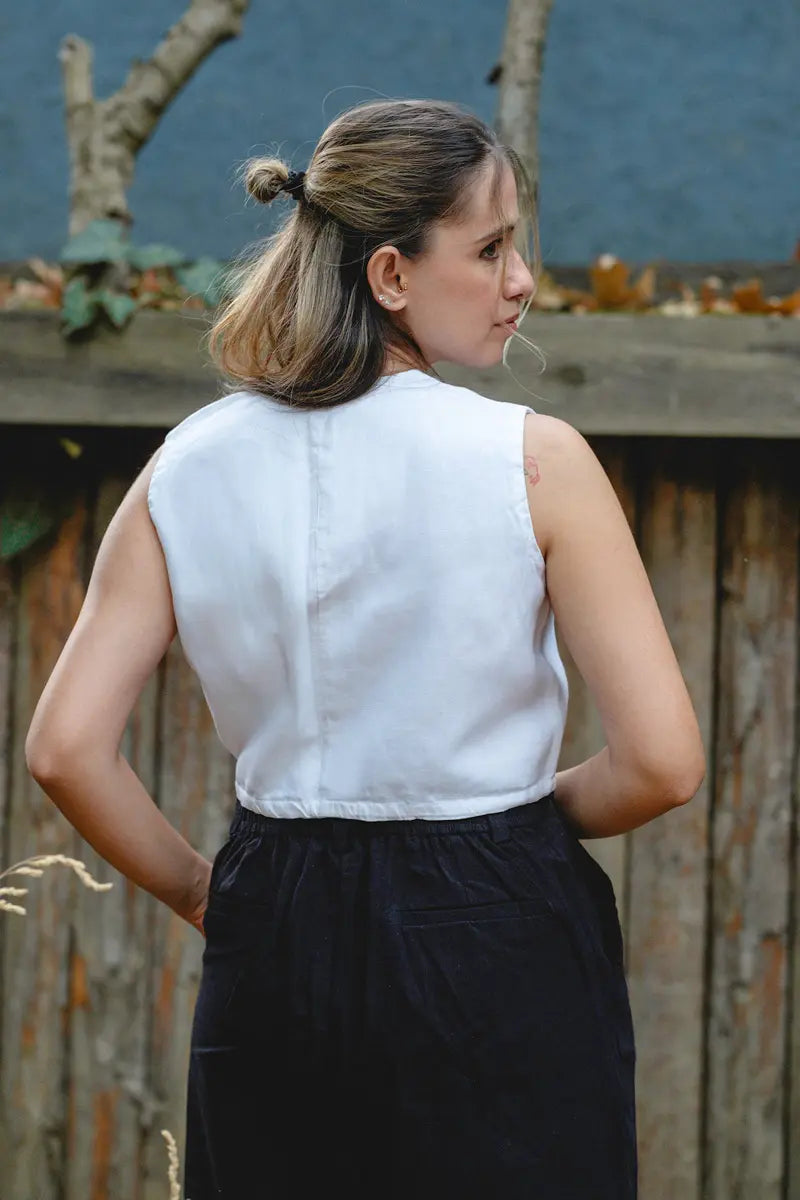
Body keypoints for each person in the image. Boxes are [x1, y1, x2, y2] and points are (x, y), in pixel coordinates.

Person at [25, 98, 705, 1198]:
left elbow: (63, 749)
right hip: (498, 924)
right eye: (488, 249)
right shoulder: (532, 459)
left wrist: (209, 893)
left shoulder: (185, 467)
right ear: (390, 274)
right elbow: (663, 765)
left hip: (274, 918)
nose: (521, 279)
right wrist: (516, 824)